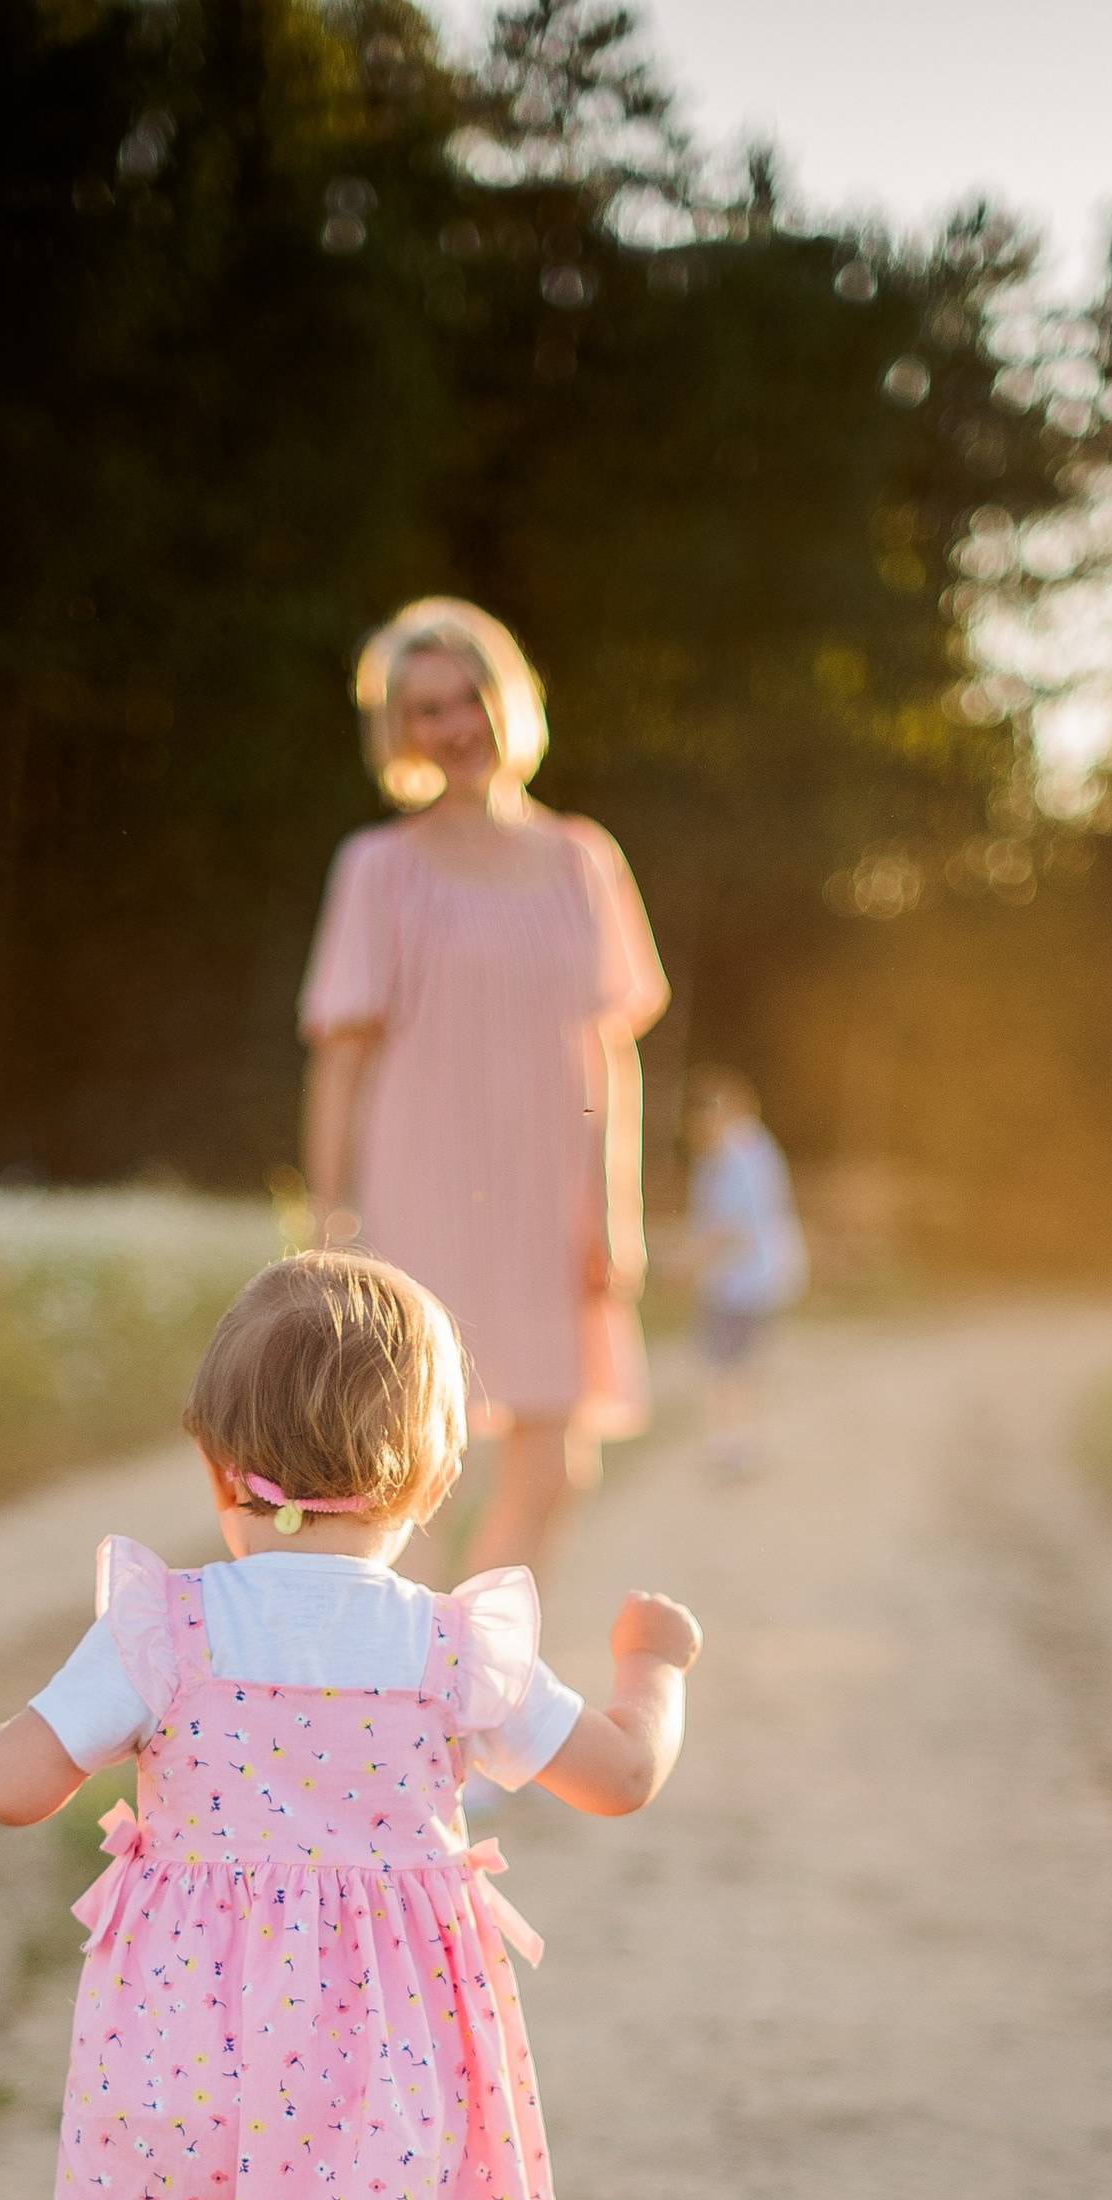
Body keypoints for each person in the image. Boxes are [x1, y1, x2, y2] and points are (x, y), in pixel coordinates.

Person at [0, 1250, 703, 2200]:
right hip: (381, 2043)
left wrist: (78, 1723)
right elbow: (621, 1776)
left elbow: (8, 1784)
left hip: (180, 2048)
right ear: (433, 1476)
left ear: (214, 1460)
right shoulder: (447, 1643)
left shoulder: (163, 1628)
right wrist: (653, 1667)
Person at [298, 595, 670, 1583]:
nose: (457, 724)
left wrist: (617, 1212)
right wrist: (329, 1219)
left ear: (509, 700)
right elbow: (341, 1059)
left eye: (470, 696)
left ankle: (479, 1658)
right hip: (420, 1192)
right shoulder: (377, 868)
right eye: (428, 709)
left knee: (558, 1470)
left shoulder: (583, 860)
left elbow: (611, 1053)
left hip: (552, 1198)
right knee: (415, 1470)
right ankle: (414, 1665)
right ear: (401, 730)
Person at [684, 1067, 809, 1474]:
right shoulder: (759, 1146)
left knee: (724, 1366)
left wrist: (687, 1263)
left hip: (738, 1281)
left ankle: (729, 1447)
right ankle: (745, 1442)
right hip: (766, 1276)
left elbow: (727, 1226)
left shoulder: (731, 1153)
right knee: (746, 1366)